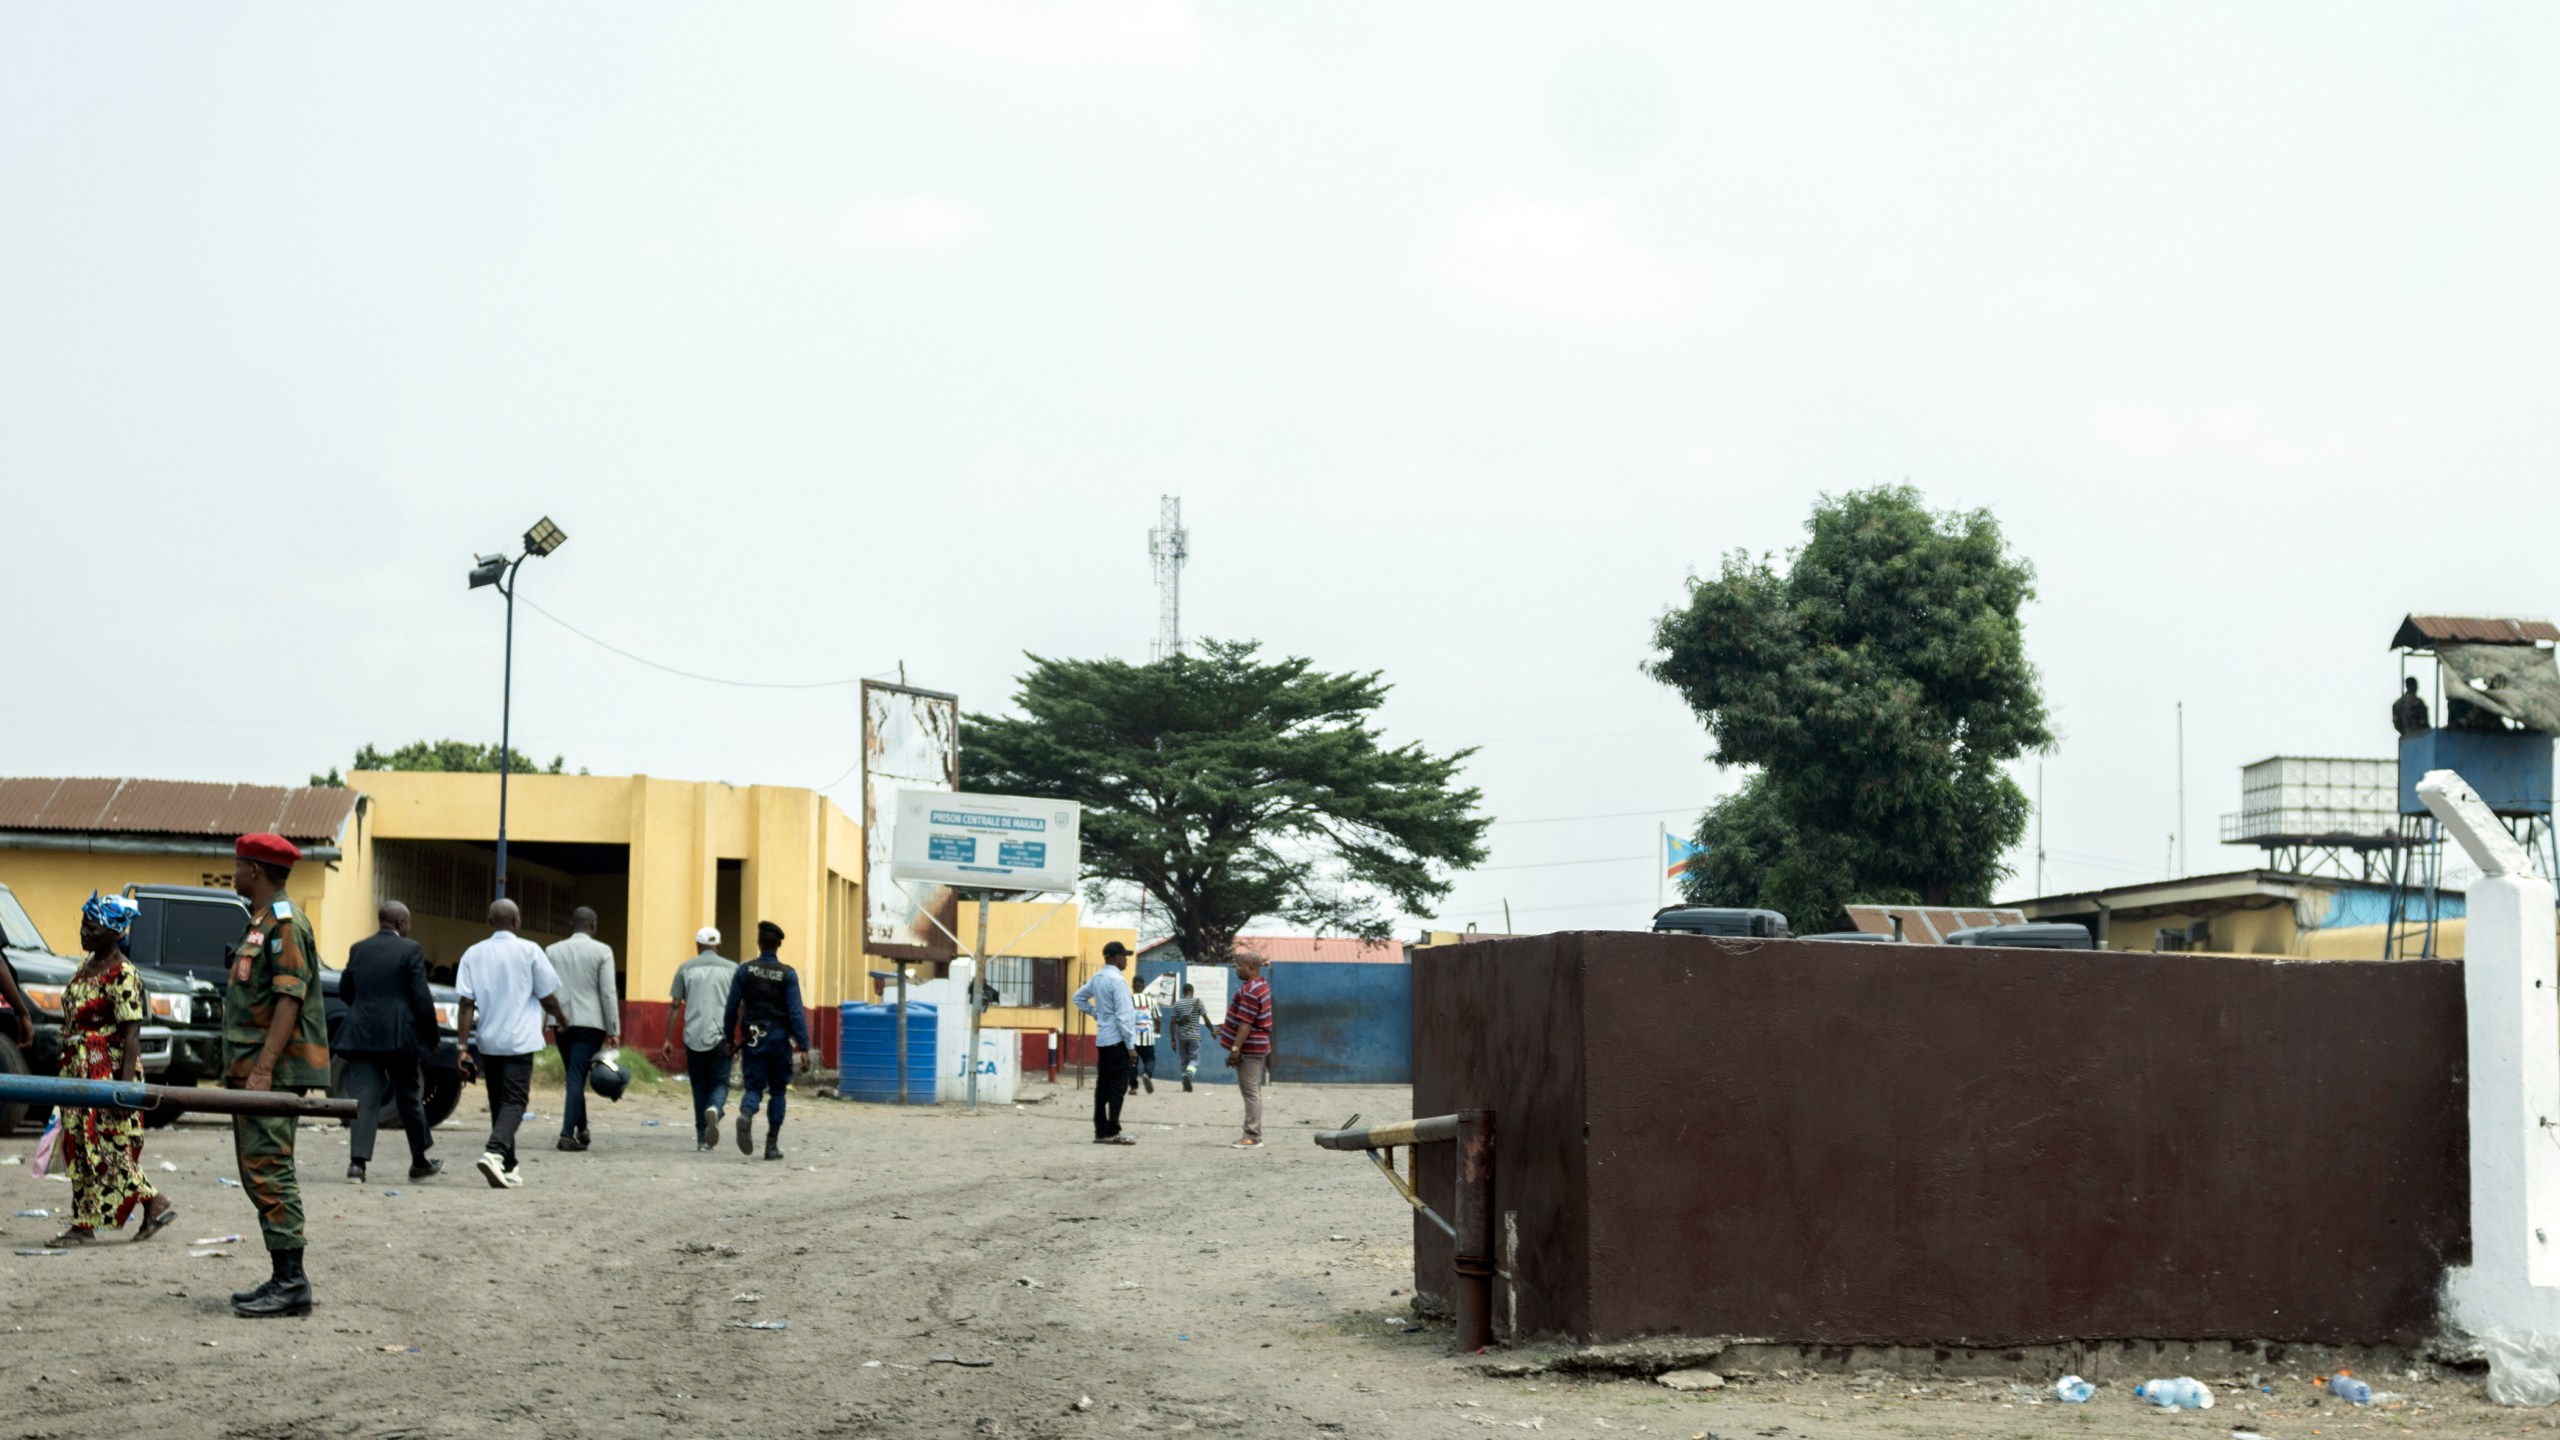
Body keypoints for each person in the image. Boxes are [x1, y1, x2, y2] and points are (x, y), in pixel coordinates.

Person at [224, 832, 333, 1317]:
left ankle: (292, 1283)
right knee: (257, 1170)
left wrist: (265, 1068)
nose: (235, 871)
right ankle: (281, 1276)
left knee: (270, 1169)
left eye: (239, 864)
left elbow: (290, 998)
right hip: (250, 1068)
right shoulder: (262, 922)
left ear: (257, 871)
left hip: (271, 1071)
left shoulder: (285, 924)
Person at [47, 892, 177, 1248]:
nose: (83, 932)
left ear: (114, 933)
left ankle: (145, 1203)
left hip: (108, 1073)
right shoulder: (85, 967)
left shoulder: (123, 974)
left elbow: (131, 1036)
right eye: (83, 925)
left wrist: (124, 1092)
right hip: (76, 1070)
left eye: (92, 927)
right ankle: (92, 1220)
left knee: (107, 1149)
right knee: (77, 1146)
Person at [454, 898, 568, 1190]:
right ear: (517, 921)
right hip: (519, 1041)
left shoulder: (473, 953)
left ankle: (508, 1165)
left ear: (490, 921)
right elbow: (547, 996)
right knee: (515, 1102)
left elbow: (466, 1003)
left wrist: (462, 1047)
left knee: (498, 1103)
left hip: (489, 1041)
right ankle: (494, 1152)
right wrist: (562, 1018)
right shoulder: (529, 950)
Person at [337, 900, 441, 1185]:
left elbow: (346, 989)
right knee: (409, 1097)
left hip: (362, 1033)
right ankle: (419, 1161)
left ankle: (357, 1166)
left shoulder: (359, 949)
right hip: (399, 1037)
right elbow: (421, 998)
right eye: (408, 923)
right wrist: (431, 1038)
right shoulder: (410, 950)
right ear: (400, 923)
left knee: (364, 1099)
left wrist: (365, 1011)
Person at [720, 920, 807, 1160]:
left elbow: (731, 1006)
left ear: (759, 942)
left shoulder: (744, 971)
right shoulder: (788, 974)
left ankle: (746, 1114)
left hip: (753, 1038)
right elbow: (796, 1012)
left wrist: (729, 1038)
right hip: (780, 1040)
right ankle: (771, 1145)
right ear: (778, 944)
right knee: (778, 1092)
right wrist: (804, 1045)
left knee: (754, 1087)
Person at [545, 906, 620, 1153]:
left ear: (570, 924)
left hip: (561, 1022)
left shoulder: (552, 950)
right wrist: (613, 1028)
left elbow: (547, 988)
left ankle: (582, 1129)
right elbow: (608, 992)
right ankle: (567, 1135)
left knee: (574, 1074)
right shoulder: (602, 951)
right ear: (594, 925)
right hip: (591, 1024)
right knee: (576, 1076)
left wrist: (546, 1020)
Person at [662, 926, 737, 1152]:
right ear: (718, 946)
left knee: (699, 1086)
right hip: (721, 1035)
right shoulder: (733, 969)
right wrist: (734, 1034)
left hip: (693, 1035)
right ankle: (715, 1109)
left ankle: (702, 1138)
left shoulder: (685, 968)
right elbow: (740, 1005)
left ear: (697, 946)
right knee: (720, 1082)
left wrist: (667, 1039)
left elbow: (675, 1005)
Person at [1072, 940, 1137, 1146]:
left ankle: (1100, 1130)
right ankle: (1112, 1131)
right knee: (1118, 1087)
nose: (1126, 960)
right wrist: (1131, 1046)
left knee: (1102, 1087)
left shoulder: (1097, 977)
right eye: (1124, 956)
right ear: (1115, 957)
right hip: (1118, 1040)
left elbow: (1078, 998)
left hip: (1103, 1039)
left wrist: (1097, 1014)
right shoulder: (1117, 981)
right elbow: (1124, 1017)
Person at [1216, 949, 1274, 1149]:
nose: (1236, 968)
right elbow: (1249, 1020)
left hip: (1250, 1048)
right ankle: (1253, 1133)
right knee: (1253, 1090)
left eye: (1239, 964)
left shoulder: (1250, 990)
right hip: (1258, 1045)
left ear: (1250, 967)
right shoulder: (1261, 986)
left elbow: (1246, 1023)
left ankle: (1252, 1135)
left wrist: (1235, 1048)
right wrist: (1226, 1029)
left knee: (1250, 1091)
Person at [1166, 982, 1209, 1093]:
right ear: (1192, 992)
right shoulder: (1198, 1002)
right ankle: (1189, 1075)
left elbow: (1172, 1023)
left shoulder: (1177, 1004)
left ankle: (1185, 1084)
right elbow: (1206, 1019)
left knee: (1184, 1060)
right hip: (1195, 1036)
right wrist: (1212, 1031)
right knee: (1195, 1059)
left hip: (1182, 1037)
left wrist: (1172, 1039)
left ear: (1183, 992)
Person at [1130, 982, 1160, 1095]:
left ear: (1133, 986)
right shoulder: (1150, 1000)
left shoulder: (1129, 1000)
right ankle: (1147, 1074)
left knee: (1132, 1063)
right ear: (1143, 987)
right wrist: (1157, 1029)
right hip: (1147, 1037)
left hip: (1132, 1038)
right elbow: (1157, 1018)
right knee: (1149, 1059)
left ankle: (1133, 1088)